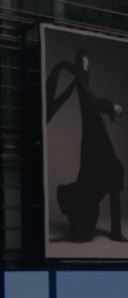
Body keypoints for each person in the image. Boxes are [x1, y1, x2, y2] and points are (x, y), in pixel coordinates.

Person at [46, 47, 126, 243]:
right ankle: (106, 227)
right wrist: (112, 106)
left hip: (95, 133)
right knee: (104, 175)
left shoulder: (82, 80)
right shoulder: (81, 80)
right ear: (82, 60)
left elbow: (93, 101)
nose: (89, 62)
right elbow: (93, 101)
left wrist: (110, 107)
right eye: (87, 59)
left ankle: (115, 230)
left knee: (111, 173)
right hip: (94, 136)